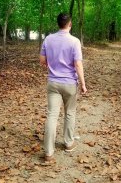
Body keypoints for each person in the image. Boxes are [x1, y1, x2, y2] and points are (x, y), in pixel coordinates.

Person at [39, 13, 87, 162]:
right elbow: (77, 64)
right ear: (70, 24)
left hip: (53, 83)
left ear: (58, 23)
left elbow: (42, 60)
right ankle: (68, 143)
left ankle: (48, 153)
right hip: (69, 84)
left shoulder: (48, 39)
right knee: (70, 113)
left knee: (52, 115)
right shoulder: (74, 41)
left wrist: (52, 65)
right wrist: (83, 84)